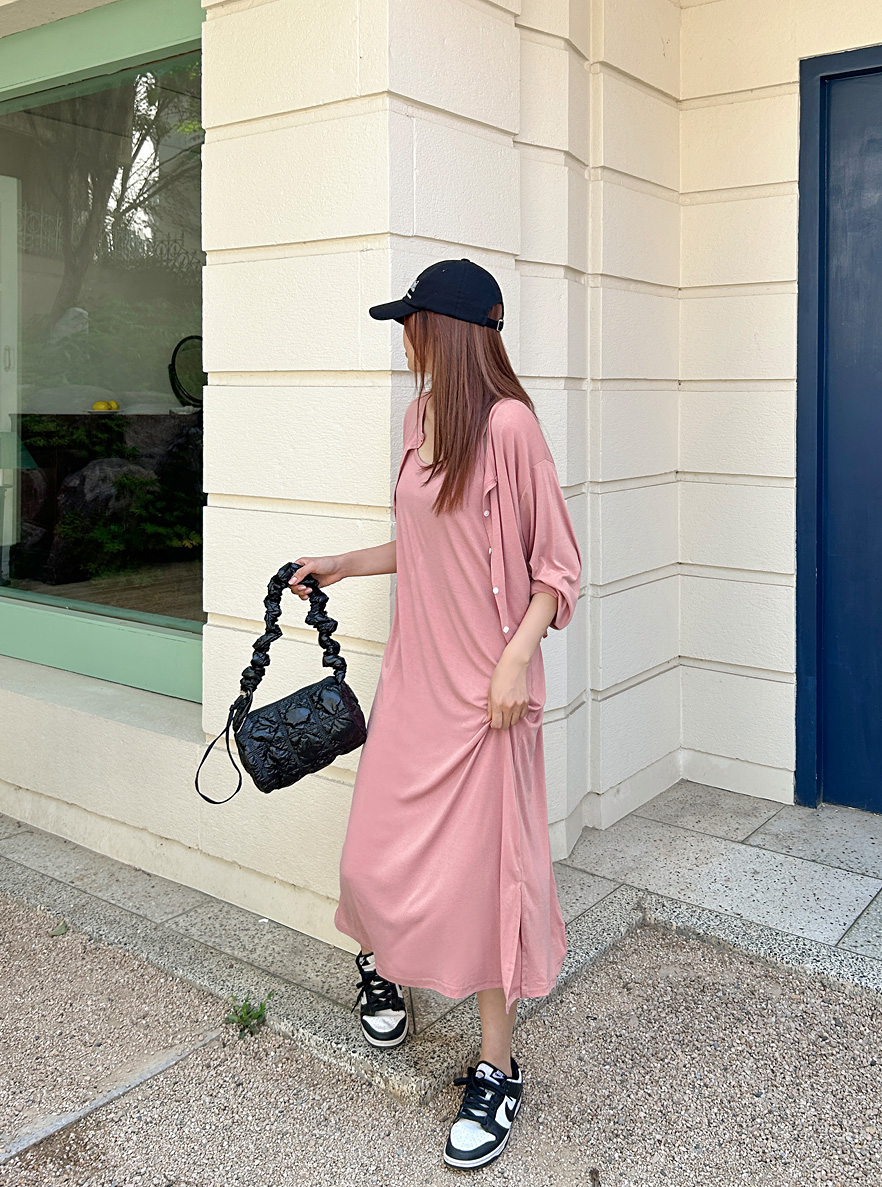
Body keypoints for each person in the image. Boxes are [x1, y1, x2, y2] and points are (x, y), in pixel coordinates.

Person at [287, 258, 582, 1171]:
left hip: (488, 698)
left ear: (443, 331)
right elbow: (422, 541)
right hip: (415, 681)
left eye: (411, 324)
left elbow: (557, 569)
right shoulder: (418, 422)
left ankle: (498, 1067)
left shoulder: (511, 427)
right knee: (371, 852)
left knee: (487, 884)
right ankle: (383, 960)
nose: (404, 338)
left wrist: (514, 661)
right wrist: (343, 562)